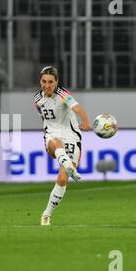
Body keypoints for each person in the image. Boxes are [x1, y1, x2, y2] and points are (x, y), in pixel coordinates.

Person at [33, 66, 92, 226]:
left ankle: (46, 214)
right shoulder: (37, 99)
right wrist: (45, 131)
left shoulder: (63, 95)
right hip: (52, 135)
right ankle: (68, 165)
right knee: (54, 141)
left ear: (56, 82)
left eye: (51, 82)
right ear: (40, 81)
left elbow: (77, 108)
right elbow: (43, 118)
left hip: (71, 137)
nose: (47, 85)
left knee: (62, 178)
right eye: (44, 81)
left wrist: (86, 121)